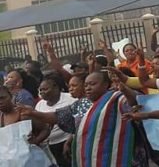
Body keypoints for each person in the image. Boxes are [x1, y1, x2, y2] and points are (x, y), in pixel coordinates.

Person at [20, 71, 148, 166]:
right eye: (86, 84)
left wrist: (125, 89)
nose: (88, 87)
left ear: (105, 85)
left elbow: (134, 103)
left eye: (93, 84)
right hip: (94, 157)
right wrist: (34, 113)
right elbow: (58, 117)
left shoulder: (117, 98)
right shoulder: (81, 104)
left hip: (123, 155)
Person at [35, 74, 76, 167]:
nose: (42, 92)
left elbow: (78, 122)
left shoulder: (70, 99)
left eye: (45, 89)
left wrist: (70, 140)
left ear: (55, 87)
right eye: (40, 90)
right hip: (51, 144)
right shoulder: (40, 105)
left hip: (68, 141)